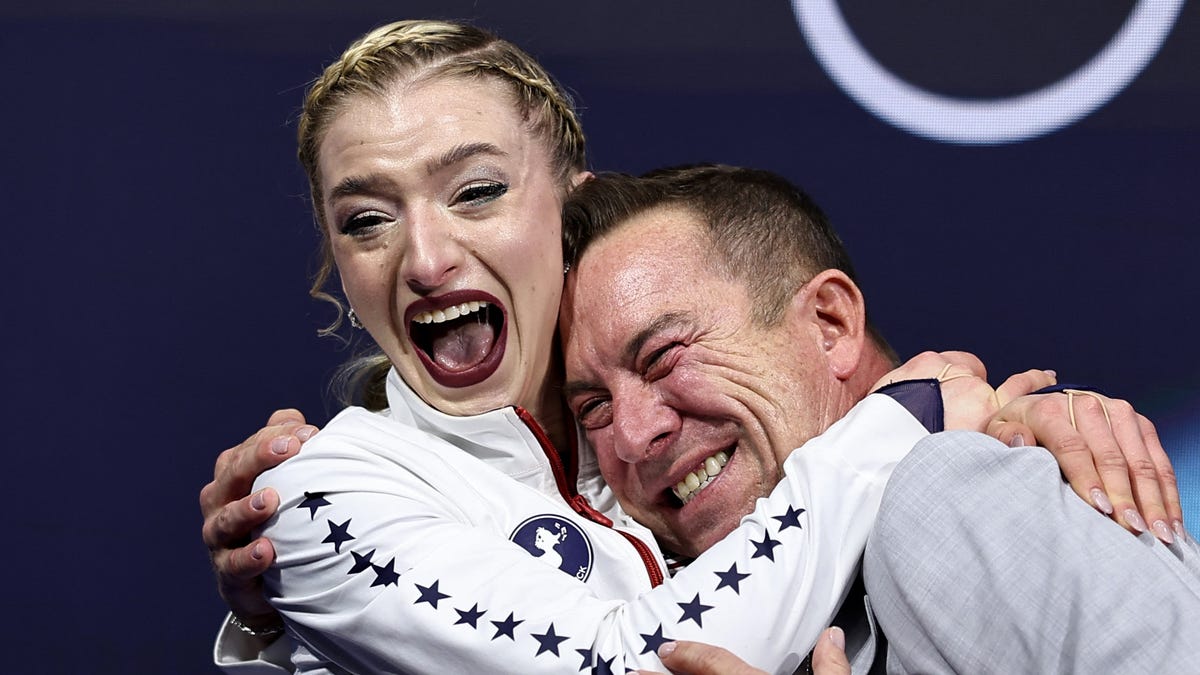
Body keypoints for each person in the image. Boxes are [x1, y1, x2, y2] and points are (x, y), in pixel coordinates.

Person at [199, 19, 1181, 674]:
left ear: (565, 210)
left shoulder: (641, 477)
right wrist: (909, 413)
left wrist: (990, 437)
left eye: (477, 190)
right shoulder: (334, 486)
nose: (423, 255)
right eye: (367, 218)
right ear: (335, 256)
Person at [552, 165, 1200, 673]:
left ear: (831, 323)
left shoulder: (944, 493)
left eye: (664, 355)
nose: (635, 436)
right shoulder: (673, 617)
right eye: (594, 407)